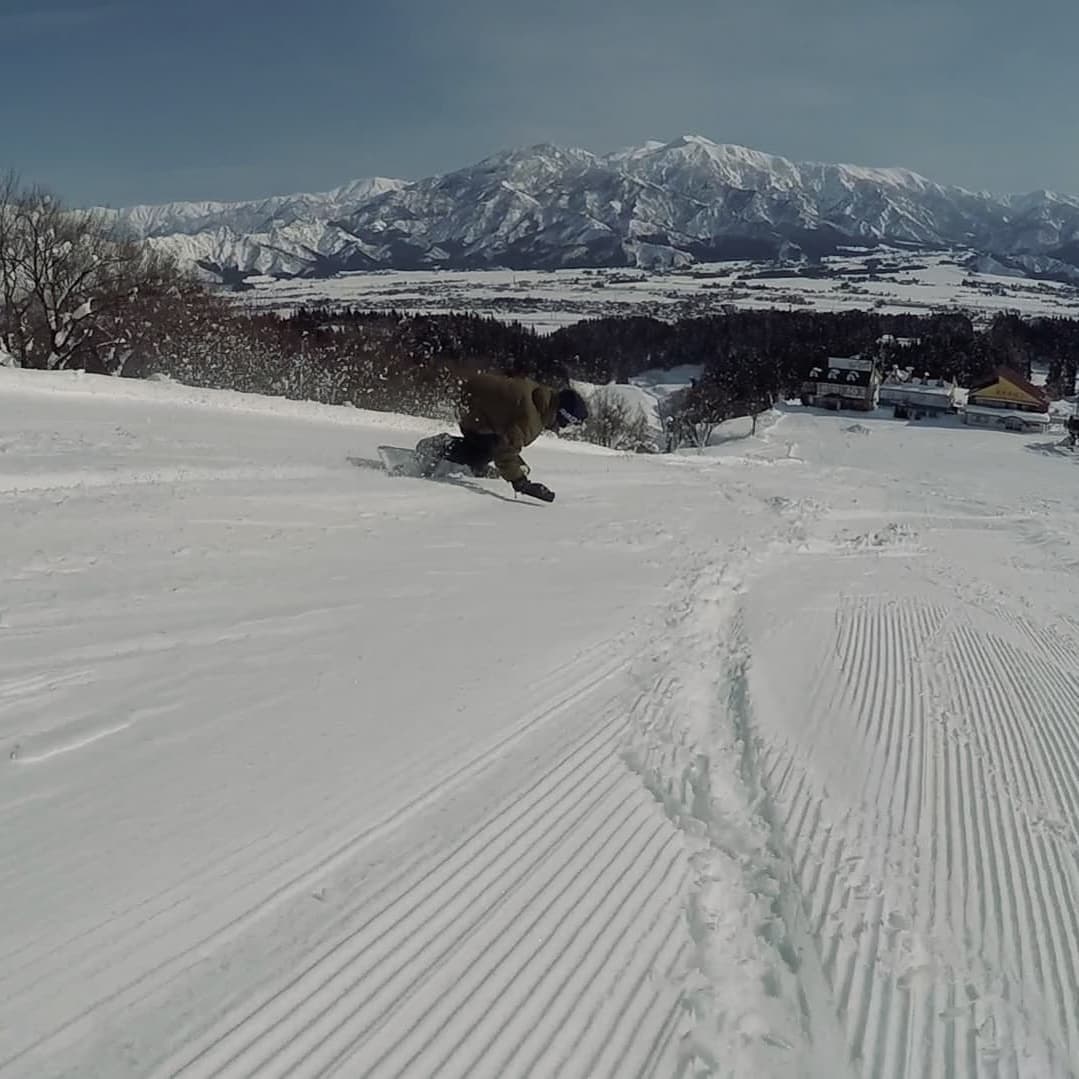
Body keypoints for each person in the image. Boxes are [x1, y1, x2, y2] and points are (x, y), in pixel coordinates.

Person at [414, 372, 590, 501]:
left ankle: (472, 462)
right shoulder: (531, 420)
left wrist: (518, 465)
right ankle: (441, 447)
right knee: (481, 454)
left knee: (493, 444)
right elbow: (504, 451)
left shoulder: (542, 396)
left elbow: (509, 439)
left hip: (472, 392)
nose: (561, 429)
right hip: (472, 408)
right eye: (566, 425)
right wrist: (521, 483)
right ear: (562, 417)